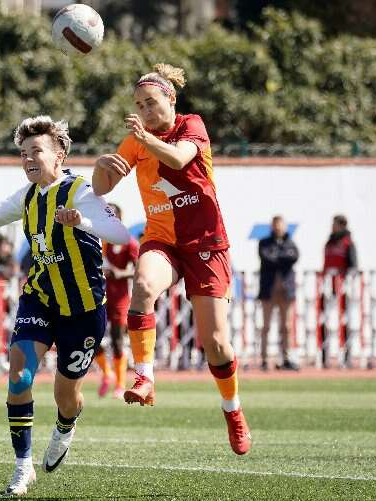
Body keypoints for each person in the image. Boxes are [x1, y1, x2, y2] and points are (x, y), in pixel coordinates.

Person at [0, 115, 130, 495]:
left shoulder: (80, 190)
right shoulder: (26, 196)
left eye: (36, 151)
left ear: (59, 155)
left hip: (83, 309)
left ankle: (65, 426)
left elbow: (120, 234)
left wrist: (82, 222)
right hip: (40, 299)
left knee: (66, 396)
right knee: (19, 377)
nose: (28, 159)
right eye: (23, 153)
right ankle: (22, 466)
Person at [91, 63, 251, 455]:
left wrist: (143, 139)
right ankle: (144, 377)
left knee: (216, 344)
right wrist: (100, 168)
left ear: (171, 99)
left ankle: (232, 410)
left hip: (206, 242)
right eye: (138, 105)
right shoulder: (136, 140)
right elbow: (101, 188)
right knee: (144, 286)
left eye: (151, 102)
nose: (145, 110)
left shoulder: (191, 125)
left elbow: (179, 159)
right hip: (162, 239)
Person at [93, 203, 139, 399]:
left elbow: (139, 269)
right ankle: (106, 372)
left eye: (111, 214)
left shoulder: (128, 241)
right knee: (91, 336)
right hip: (98, 296)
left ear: (119, 218)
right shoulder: (98, 239)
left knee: (117, 340)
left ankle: (120, 385)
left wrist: (121, 273)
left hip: (119, 298)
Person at [258, 215, 299, 371]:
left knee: (286, 327)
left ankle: (287, 358)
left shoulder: (290, 243)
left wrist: (278, 256)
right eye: (276, 225)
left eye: (280, 225)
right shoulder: (264, 242)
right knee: (266, 326)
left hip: (286, 291)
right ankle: (264, 359)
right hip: (268, 290)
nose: (278, 228)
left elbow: (293, 257)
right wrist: (282, 257)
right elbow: (267, 258)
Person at [321, 214, 358, 367]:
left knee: (344, 321)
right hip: (328, 287)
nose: (332, 227)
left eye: (335, 224)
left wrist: (345, 284)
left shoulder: (348, 243)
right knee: (325, 321)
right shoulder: (329, 242)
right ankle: (325, 356)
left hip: (343, 288)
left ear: (342, 225)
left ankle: (346, 357)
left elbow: (353, 267)